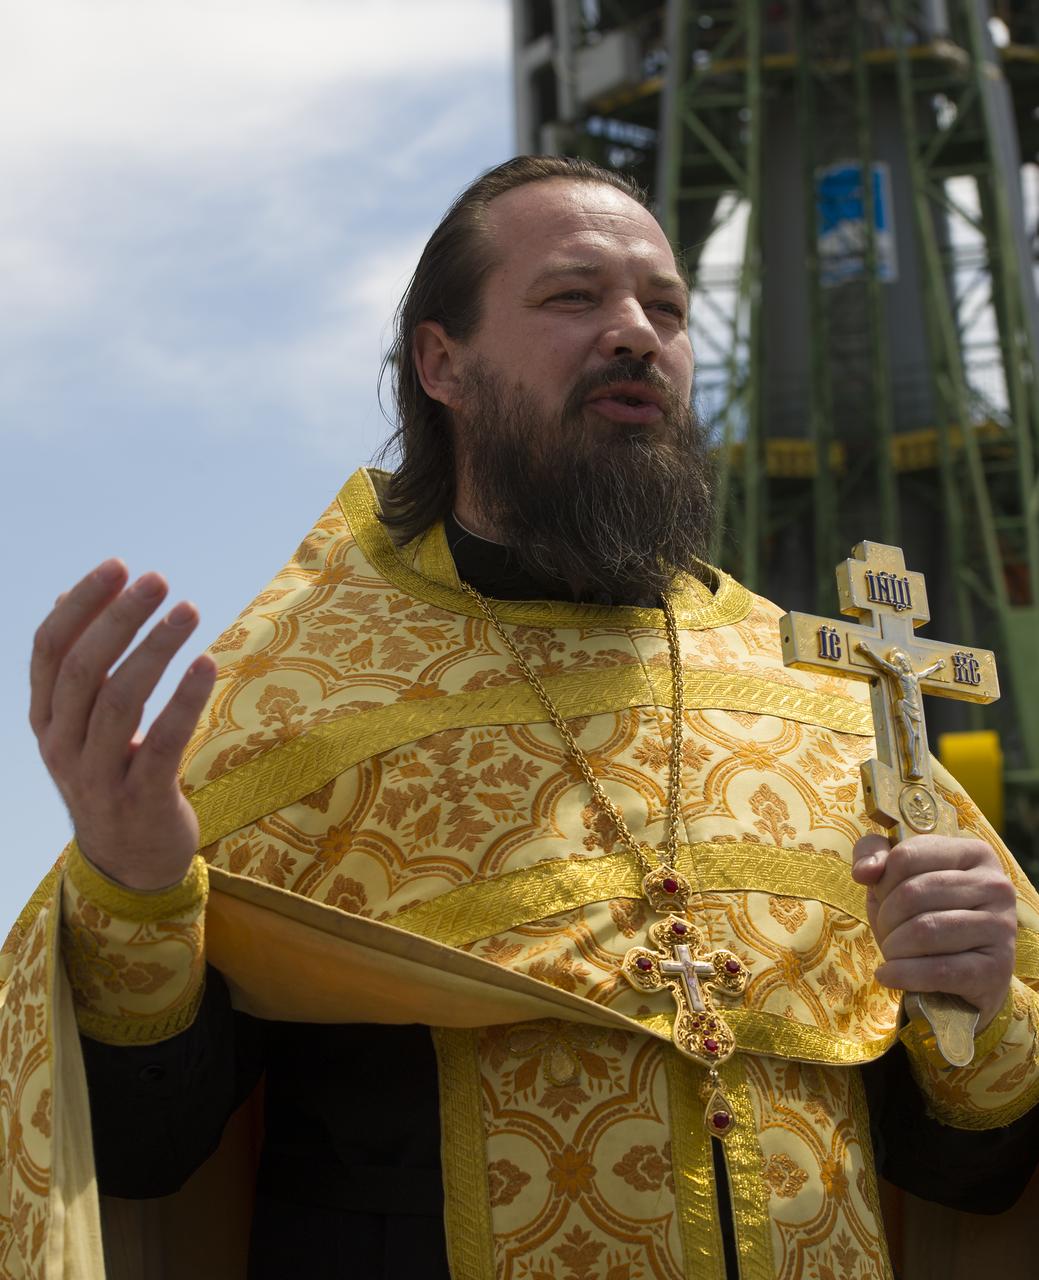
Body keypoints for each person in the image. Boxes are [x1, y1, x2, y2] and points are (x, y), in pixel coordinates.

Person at [4, 155, 1039, 1280]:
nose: (635, 332)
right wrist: (137, 891)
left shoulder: (822, 701)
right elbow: (143, 1157)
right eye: (573, 296)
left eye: (666, 308)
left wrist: (978, 1004)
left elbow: (967, 1183)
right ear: (441, 362)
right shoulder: (299, 693)